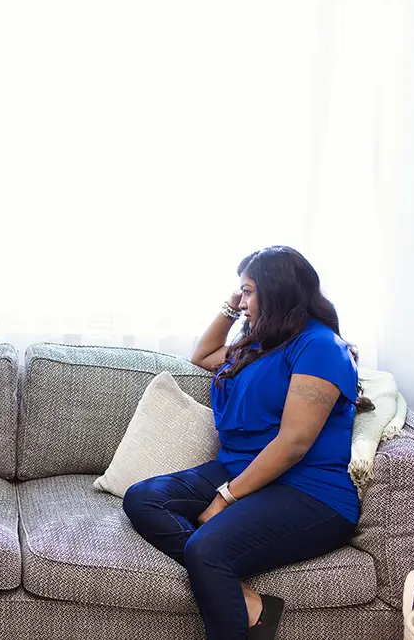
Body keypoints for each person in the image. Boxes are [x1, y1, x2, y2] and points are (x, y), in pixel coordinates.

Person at [122, 246, 369, 640]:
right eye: (242, 292)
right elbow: (202, 355)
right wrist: (232, 306)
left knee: (208, 549)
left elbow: (293, 443)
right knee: (142, 498)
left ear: (279, 291)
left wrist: (224, 499)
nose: (244, 301)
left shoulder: (320, 347)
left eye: (250, 291)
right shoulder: (259, 343)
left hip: (308, 491)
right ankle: (250, 602)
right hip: (240, 467)